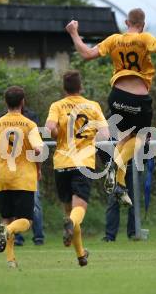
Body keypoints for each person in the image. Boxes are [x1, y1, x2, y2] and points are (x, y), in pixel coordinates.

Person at [66, 8, 156, 206]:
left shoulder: (114, 40)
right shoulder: (144, 38)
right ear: (142, 24)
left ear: (126, 22)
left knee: (124, 140)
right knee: (142, 137)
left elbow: (87, 53)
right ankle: (114, 166)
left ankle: (120, 185)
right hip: (138, 99)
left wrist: (73, 32)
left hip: (117, 97)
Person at [0, 86, 44, 268]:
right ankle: (7, 231)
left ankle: (11, 260)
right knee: (25, 221)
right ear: (23, 102)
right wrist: (38, 168)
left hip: (1, 177)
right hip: (22, 177)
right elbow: (38, 149)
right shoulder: (30, 125)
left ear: (5, 102)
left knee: (6, 218)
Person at [45, 70, 109, 266]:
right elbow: (105, 136)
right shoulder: (93, 106)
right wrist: (89, 139)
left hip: (62, 163)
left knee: (69, 212)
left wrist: (59, 133)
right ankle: (71, 226)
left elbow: (49, 130)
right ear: (81, 87)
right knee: (78, 210)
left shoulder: (57, 105)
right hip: (83, 163)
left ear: (64, 88)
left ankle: (81, 255)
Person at [13, 108, 45, 246]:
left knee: (34, 203)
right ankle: (17, 237)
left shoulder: (32, 118)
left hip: (28, 168)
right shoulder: (2, 118)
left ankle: (38, 236)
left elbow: (37, 146)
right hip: (12, 169)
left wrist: (38, 168)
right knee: (16, 204)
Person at [101, 161, 135, 242]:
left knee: (133, 202)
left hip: (134, 168)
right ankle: (110, 236)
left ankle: (134, 233)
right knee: (113, 201)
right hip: (117, 169)